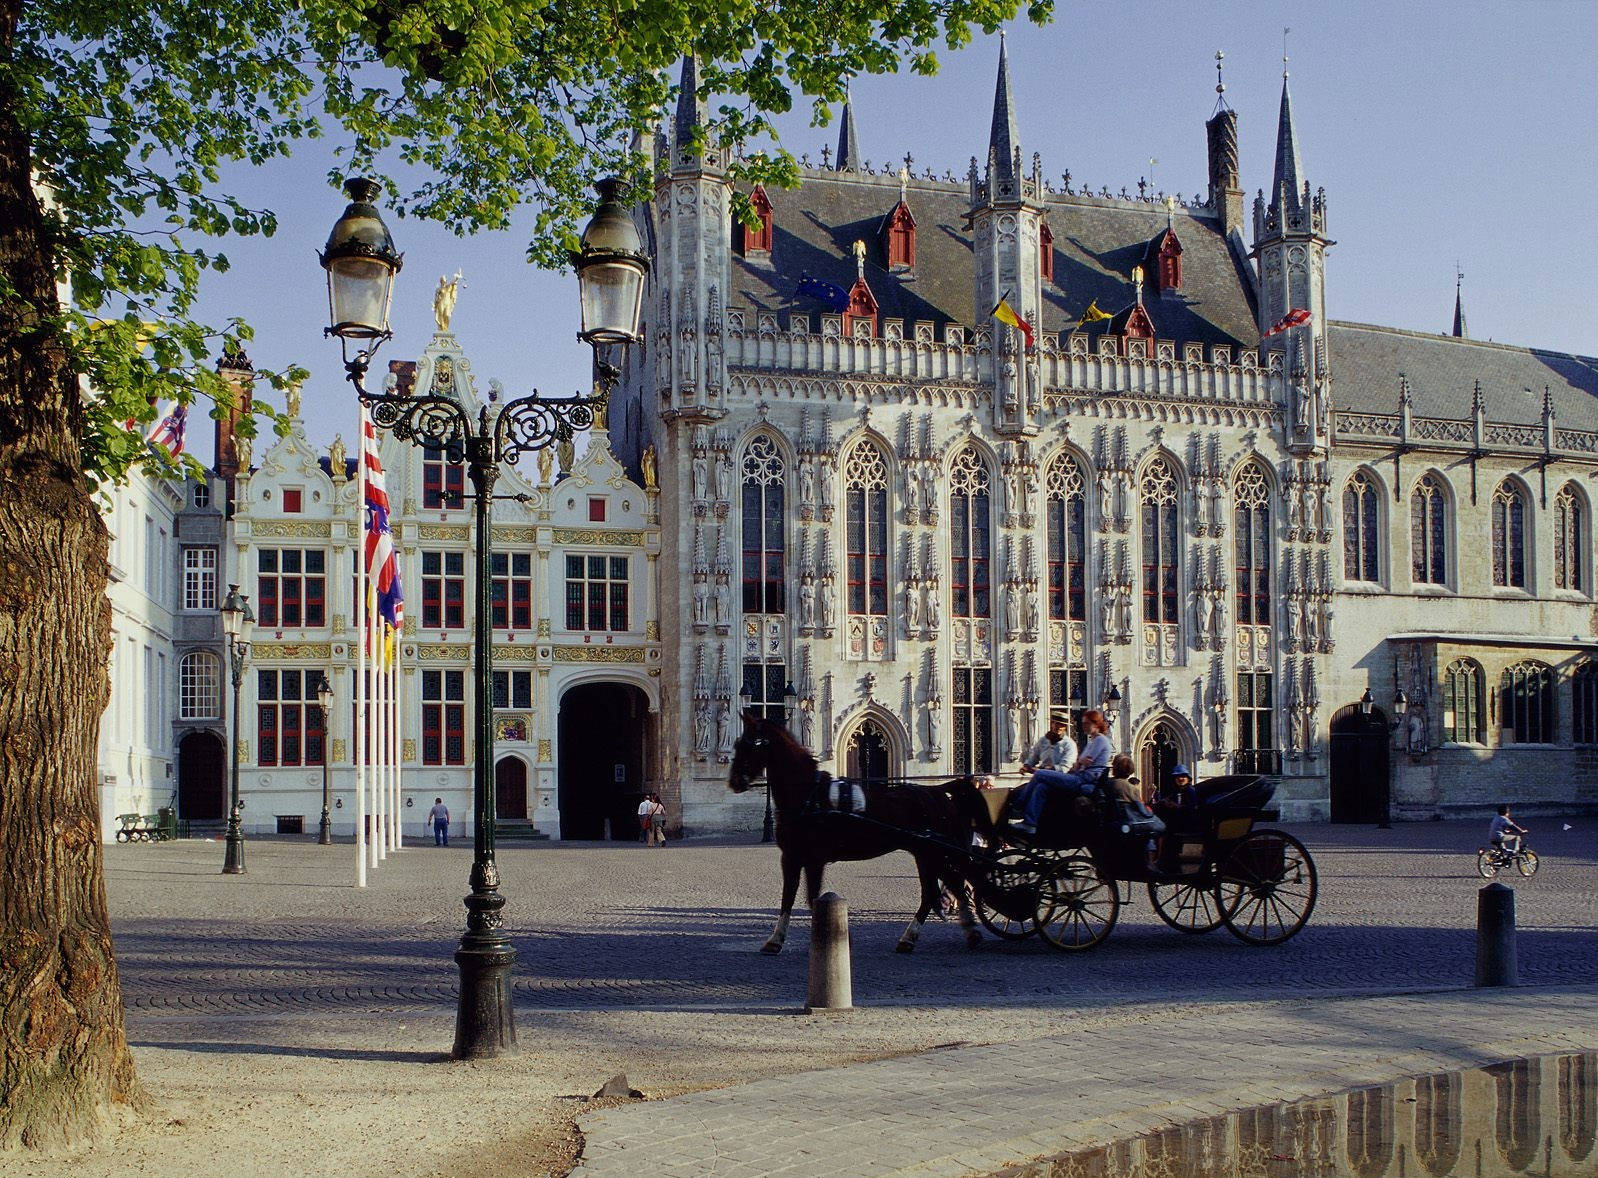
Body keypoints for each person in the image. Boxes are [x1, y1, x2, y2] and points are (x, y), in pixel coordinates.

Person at [1011, 710, 1115, 834]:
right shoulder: (1093, 740)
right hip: (1077, 775)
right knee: (1041, 787)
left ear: (1096, 724)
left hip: (1083, 780)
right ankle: (1030, 823)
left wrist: (1078, 762)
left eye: (1087, 724)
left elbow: (1086, 761)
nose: (1083, 727)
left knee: (1039, 774)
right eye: (1083, 723)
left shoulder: (1100, 740)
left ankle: (1018, 806)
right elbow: (1079, 764)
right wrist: (1028, 765)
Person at [1106, 754, 1165, 869]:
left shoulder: (1110, 783)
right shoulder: (1130, 788)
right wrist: (1151, 812)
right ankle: (1152, 862)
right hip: (1130, 823)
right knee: (1159, 826)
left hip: (1117, 822)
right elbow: (1143, 812)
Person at [1021, 711, 1078, 775]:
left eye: (1061, 725)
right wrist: (1026, 766)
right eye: (1055, 723)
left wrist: (1044, 770)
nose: (1058, 727)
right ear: (1052, 724)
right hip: (1043, 774)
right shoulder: (1043, 740)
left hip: (1061, 777)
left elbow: (1065, 767)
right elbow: (1034, 756)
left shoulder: (1069, 744)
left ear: (1065, 727)